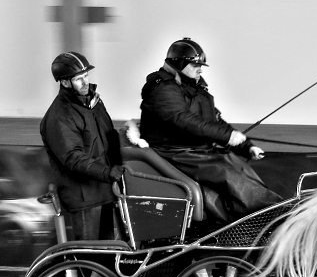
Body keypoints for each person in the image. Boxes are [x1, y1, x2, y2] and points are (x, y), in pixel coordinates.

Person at [139, 37, 281, 225]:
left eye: (201, 65)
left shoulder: (193, 85)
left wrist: (245, 146)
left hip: (197, 149)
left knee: (241, 169)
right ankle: (274, 213)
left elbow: (214, 120)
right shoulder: (162, 88)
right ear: (179, 63)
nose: (200, 69)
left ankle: (266, 215)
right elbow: (183, 120)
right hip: (176, 151)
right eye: (195, 65)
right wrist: (227, 136)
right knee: (226, 175)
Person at [40, 52, 124, 240]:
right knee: (88, 255)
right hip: (84, 197)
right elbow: (72, 157)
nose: (85, 82)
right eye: (79, 79)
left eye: (86, 76)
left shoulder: (93, 103)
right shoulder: (59, 115)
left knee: (108, 255)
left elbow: (107, 138)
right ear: (65, 82)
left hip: (105, 190)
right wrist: (107, 172)